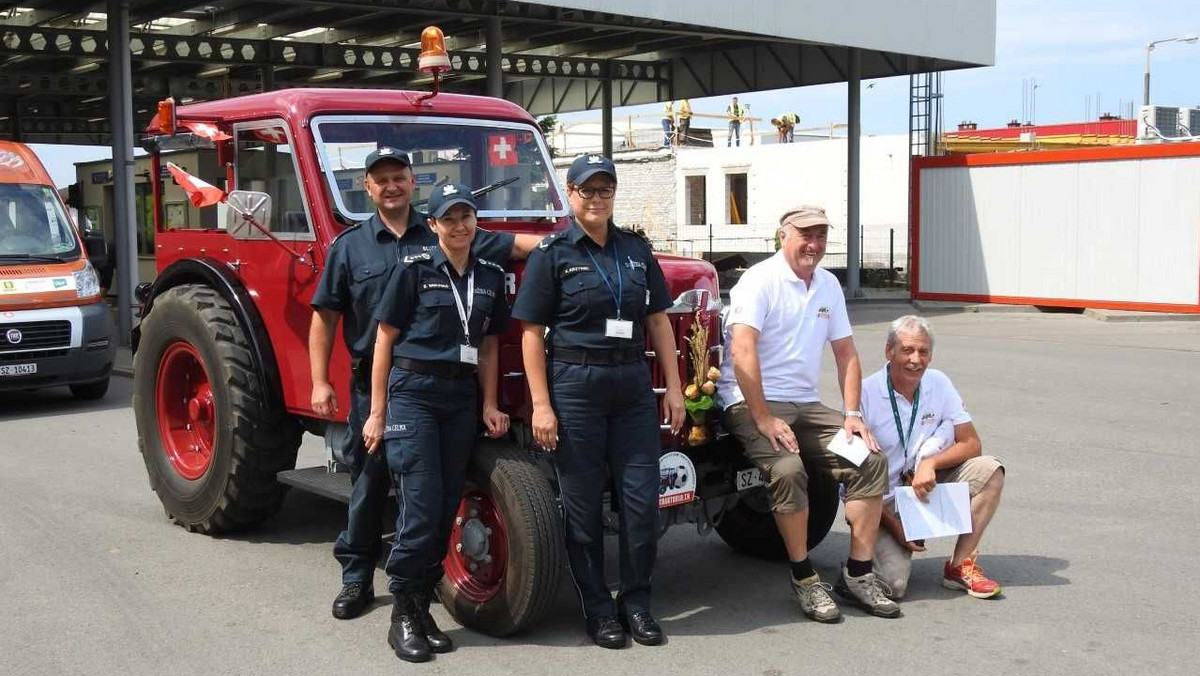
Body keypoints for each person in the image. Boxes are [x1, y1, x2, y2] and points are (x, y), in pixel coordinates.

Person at [308, 147, 538, 622]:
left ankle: (419, 585)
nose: (391, 186)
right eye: (381, 179)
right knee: (370, 481)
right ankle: (356, 577)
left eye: (399, 177)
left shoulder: (447, 231)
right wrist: (319, 382)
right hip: (377, 382)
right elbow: (325, 317)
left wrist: (572, 242)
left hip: (447, 386)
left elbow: (518, 246)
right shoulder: (350, 247)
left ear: (413, 183)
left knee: (432, 493)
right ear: (367, 188)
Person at [512, 153, 686, 649]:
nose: (596, 198)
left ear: (613, 195)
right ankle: (598, 609)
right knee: (583, 506)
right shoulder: (553, 253)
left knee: (640, 502)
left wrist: (671, 387)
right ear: (570, 194)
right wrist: (541, 405)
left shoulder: (634, 250)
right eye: (587, 190)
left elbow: (658, 322)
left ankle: (637, 603)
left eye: (604, 189)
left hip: (631, 386)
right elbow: (530, 332)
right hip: (575, 384)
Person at [717, 204, 900, 623]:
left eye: (820, 236)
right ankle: (804, 578)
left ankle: (857, 574)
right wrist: (762, 417)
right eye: (805, 235)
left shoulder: (829, 285)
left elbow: (846, 353)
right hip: (751, 401)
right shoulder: (758, 280)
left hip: (806, 406)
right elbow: (742, 352)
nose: (813, 245)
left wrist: (852, 413)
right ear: (783, 235)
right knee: (787, 469)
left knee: (869, 460)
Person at [362, 183, 511, 662]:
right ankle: (402, 613)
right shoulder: (414, 272)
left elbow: (487, 346)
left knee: (447, 507)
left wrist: (488, 403)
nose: (460, 225)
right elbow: (384, 341)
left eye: (466, 216)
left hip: (459, 398)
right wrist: (378, 413)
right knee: (421, 507)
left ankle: (422, 609)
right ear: (434, 226)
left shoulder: (488, 276)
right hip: (414, 395)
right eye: (449, 218)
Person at [860, 315, 1005, 599]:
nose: (916, 359)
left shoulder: (938, 383)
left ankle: (960, 565)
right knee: (893, 585)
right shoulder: (865, 393)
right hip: (882, 503)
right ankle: (860, 564)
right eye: (907, 350)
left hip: (925, 483)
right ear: (889, 351)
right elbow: (853, 485)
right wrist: (897, 527)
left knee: (991, 471)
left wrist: (931, 463)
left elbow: (971, 443)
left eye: (923, 352)